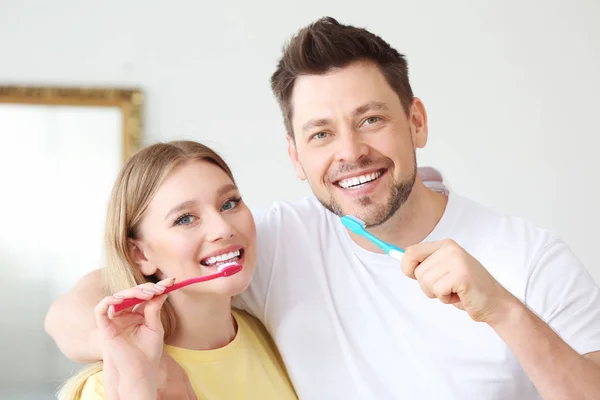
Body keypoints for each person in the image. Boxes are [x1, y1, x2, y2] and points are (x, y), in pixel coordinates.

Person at [46, 17, 600, 399]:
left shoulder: (530, 259)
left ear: (417, 122)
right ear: (294, 155)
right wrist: (135, 363)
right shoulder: (278, 243)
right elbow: (82, 306)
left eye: (370, 120)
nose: (349, 152)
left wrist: (503, 311)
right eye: (320, 133)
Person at [56, 140, 297, 399]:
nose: (223, 228)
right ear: (140, 254)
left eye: (229, 204)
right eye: (185, 219)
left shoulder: (273, 336)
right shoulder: (111, 388)